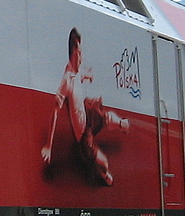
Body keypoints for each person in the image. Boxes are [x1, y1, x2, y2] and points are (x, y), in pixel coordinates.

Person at [41, 27, 129, 185]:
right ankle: (103, 173)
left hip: (88, 115)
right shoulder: (67, 80)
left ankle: (120, 124)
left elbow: (82, 76)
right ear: (73, 52)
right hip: (82, 135)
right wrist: (48, 145)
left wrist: (88, 76)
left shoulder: (77, 70)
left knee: (104, 113)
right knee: (104, 164)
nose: (81, 57)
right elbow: (55, 112)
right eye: (79, 53)